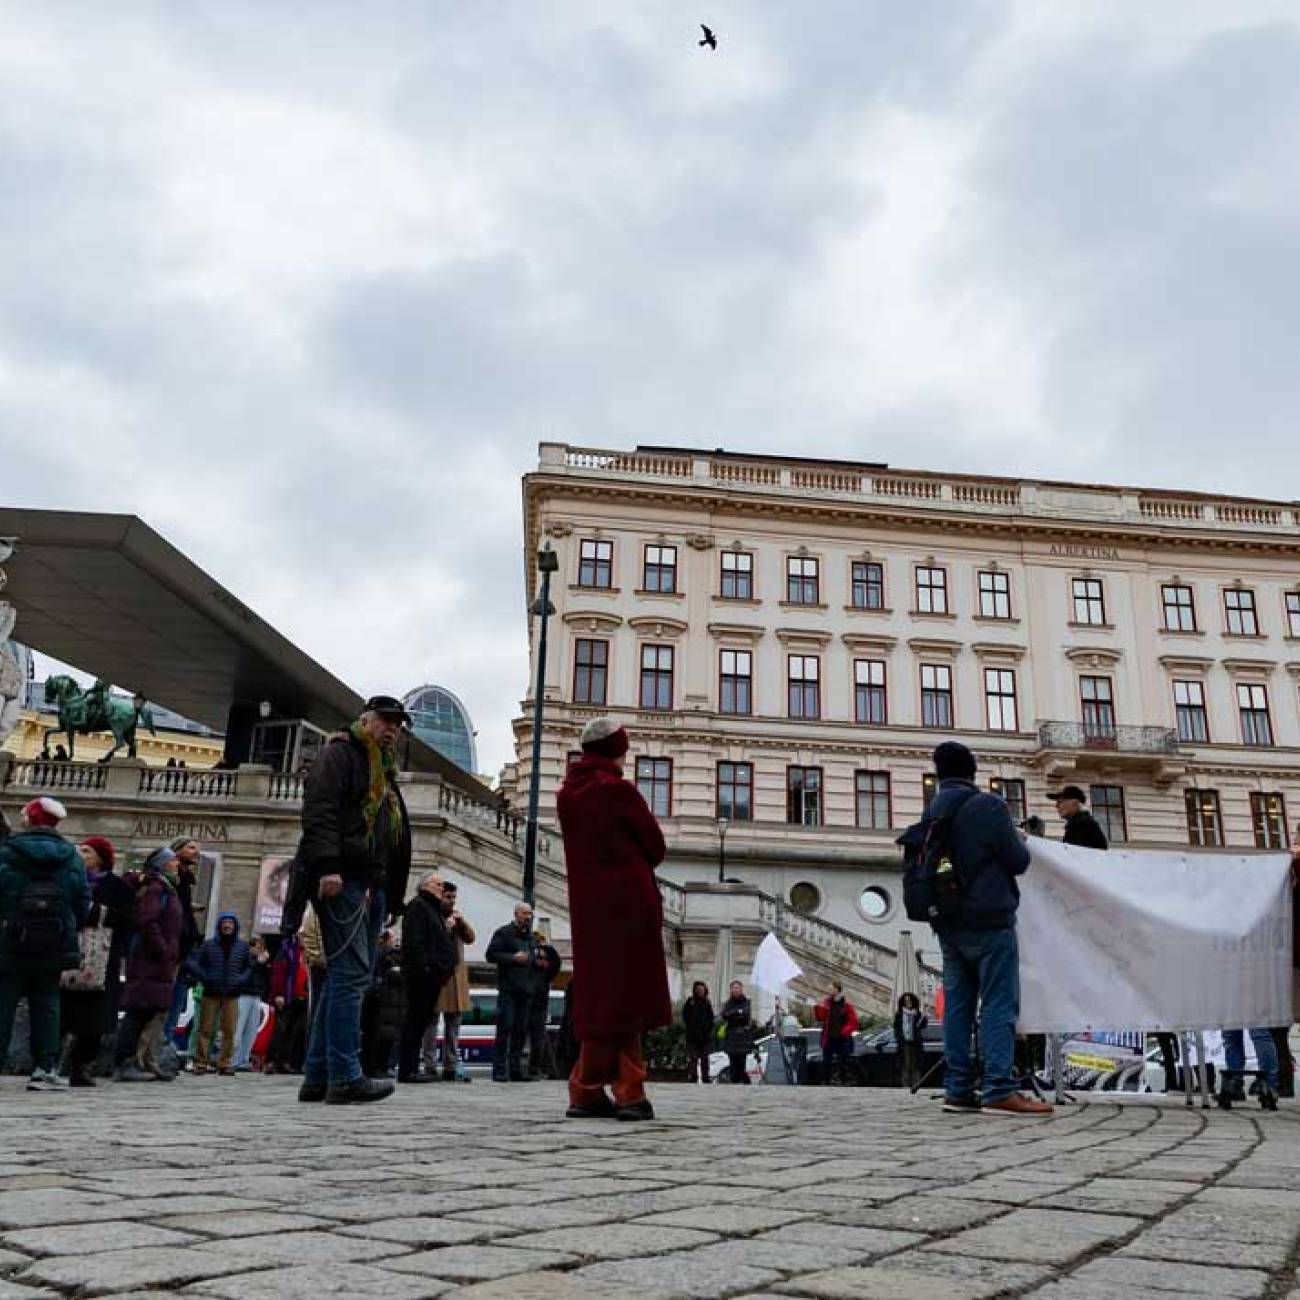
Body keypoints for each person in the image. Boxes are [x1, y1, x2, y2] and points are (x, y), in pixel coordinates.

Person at [296, 696, 413, 1105]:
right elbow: (320, 812)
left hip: (370, 881)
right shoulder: (342, 754)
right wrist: (329, 865)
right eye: (386, 721)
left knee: (343, 980)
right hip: (345, 877)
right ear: (365, 719)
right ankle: (344, 1075)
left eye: (398, 724)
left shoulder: (382, 768)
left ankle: (318, 1074)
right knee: (349, 978)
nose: (392, 729)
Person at [925, 741, 1051, 1116]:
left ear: (940, 772)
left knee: (958, 1007)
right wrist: (1018, 839)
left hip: (947, 922)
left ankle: (958, 1089)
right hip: (989, 918)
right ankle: (999, 1088)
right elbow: (1018, 861)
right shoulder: (989, 806)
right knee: (998, 1002)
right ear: (972, 770)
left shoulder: (932, 808)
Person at [556, 718, 672, 1120]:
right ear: (615, 750)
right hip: (629, 902)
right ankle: (628, 1091)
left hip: (589, 909)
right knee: (629, 995)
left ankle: (586, 1089)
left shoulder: (567, 794)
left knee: (601, 995)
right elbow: (655, 847)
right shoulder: (619, 791)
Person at [0, 797, 91, 1090]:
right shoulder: (72, 856)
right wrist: (66, 928)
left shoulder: (7, 852)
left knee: (3, 1004)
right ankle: (45, 1068)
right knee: (48, 1005)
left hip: (9, 939)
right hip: (54, 941)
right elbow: (82, 902)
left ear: (30, 819)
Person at [61, 836, 133, 1087]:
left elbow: (128, 920)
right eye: (80, 851)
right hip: (69, 954)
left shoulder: (117, 886)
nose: (81, 855)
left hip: (102, 959)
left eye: (87, 851)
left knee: (93, 1018)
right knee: (62, 1011)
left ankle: (81, 1067)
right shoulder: (70, 880)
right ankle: (51, 1063)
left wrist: (95, 911)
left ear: (101, 857)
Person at [115, 846, 184, 1082]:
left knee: (146, 1012)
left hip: (158, 962)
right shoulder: (156, 888)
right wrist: (163, 949)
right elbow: (148, 920)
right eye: (173, 860)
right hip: (150, 961)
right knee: (137, 1012)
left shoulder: (166, 888)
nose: (177, 864)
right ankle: (124, 1062)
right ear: (163, 864)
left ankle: (138, 1061)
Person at [398, 874, 457, 1083]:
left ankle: (412, 1067)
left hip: (432, 975)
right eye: (437, 884)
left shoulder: (432, 908)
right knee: (414, 1021)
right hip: (422, 975)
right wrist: (426, 968)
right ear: (424, 886)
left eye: (442, 884)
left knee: (420, 1022)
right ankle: (408, 1069)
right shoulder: (418, 906)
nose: (441, 888)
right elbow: (415, 943)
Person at [485, 902, 547, 1083]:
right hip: (509, 990)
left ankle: (515, 1069)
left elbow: (536, 958)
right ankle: (499, 1070)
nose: (528, 917)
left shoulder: (532, 938)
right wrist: (513, 958)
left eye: (530, 914)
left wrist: (539, 963)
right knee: (505, 1028)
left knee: (520, 1031)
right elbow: (491, 955)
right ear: (516, 914)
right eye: (525, 913)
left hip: (526, 991)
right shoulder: (504, 933)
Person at [187, 911, 253, 1075]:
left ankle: (224, 1062)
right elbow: (194, 963)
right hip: (211, 992)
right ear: (219, 925)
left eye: (231, 922)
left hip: (232, 993)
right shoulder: (209, 945)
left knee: (229, 1030)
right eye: (225, 922)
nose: (227, 925)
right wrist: (205, 977)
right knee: (205, 1028)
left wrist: (240, 980)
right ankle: (201, 1062)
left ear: (235, 926)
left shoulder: (242, 947)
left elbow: (249, 967)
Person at [426, 879, 476, 1082]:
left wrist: (461, 922)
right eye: (448, 897)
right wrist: (445, 928)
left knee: (454, 1026)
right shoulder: (432, 915)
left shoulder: (457, 917)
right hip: (438, 977)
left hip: (456, 978)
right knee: (430, 1024)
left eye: (454, 897)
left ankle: (450, 1065)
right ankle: (429, 1065)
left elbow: (471, 938)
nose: (452, 901)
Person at [162, 837, 205, 1047]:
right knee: (169, 998)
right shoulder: (174, 877)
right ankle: (162, 1043)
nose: (196, 852)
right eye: (192, 847)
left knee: (177, 998)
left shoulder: (186, 877)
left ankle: (165, 1043)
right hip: (175, 945)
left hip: (184, 945)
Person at [266, 930, 311, 1074]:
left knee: (299, 1032)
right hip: (288, 995)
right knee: (282, 1030)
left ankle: (291, 1062)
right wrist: (278, 993)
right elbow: (279, 973)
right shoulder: (288, 949)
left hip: (305, 997)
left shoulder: (312, 951)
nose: (305, 938)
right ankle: (273, 1061)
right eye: (303, 935)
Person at [363, 930, 406, 1079]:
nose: (397, 942)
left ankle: (382, 1066)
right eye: (394, 938)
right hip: (385, 1003)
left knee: (387, 1038)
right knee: (380, 1038)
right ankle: (377, 1067)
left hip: (393, 1005)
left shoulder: (395, 956)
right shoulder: (382, 955)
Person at [527, 929, 563, 1081]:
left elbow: (554, 966)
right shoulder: (546, 952)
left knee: (537, 1036)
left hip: (535, 998)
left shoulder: (546, 952)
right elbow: (555, 967)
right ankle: (542, 1069)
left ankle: (537, 1068)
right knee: (539, 1036)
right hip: (537, 997)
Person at [232, 935, 271, 1071]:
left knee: (251, 1030)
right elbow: (244, 975)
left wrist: (264, 964)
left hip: (256, 995)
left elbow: (265, 977)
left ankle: (244, 1058)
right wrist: (258, 962)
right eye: (257, 947)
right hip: (244, 994)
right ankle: (233, 1059)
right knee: (239, 1028)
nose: (259, 950)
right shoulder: (245, 958)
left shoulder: (261, 962)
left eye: (261, 948)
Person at [815, 982, 860, 1084]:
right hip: (829, 1037)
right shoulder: (826, 1003)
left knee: (843, 1060)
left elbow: (853, 1020)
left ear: (837, 990)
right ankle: (826, 1080)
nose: (829, 991)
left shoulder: (846, 1005)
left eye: (831, 989)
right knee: (827, 1060)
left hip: (842, 1038)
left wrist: (845, 1030)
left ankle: (843, 1080)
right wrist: (818, 1007)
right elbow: (820, 1018)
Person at [1046, 786, 1108, 850]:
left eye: (1060, 802)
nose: (1056, 806)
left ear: (1075, 803)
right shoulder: (1078, 824)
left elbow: (1074, 854)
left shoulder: (1083, 825)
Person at [720, 981, 755, 1084]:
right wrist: (737, 1012)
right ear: (731, 990)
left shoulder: (747, 1002)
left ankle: (742, 1082)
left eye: (738, 988)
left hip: (743, 1036)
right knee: (732, 1061)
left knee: (741, 1062)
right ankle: (734, 1082)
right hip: (731, 1036)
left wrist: (735, 1014)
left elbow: (746, 1014)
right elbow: (725, 1015)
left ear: (741, 989)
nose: (736, 990)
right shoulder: (728, 1003)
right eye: (734, 988)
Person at [682, 981, 715, 1084]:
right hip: (692, 1036)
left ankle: (705, 1077)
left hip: (704, 1036)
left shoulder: (707, 1002)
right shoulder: (690, 1002)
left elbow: (711, 1018)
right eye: (699, 990)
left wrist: (707, 1029)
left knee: (705, 1057)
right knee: (693, 1058)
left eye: (702, 990)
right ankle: (693, 1076)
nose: (701, 991)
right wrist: (691, 1027)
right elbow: (685, 1016)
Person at [894, 992, 928, 1089]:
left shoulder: (918, 1014)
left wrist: (924, 1018)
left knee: (916, 1064)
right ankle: (906, 1084)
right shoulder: (899, 1014)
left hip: (915, 1042)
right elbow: (896, 1028)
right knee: (906, 1064)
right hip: (904, 1043)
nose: (908, 1003)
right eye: (906, 1001)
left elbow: (923, 1025)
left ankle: (916, 1083)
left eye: (909, 1001)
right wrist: (899, 1038)